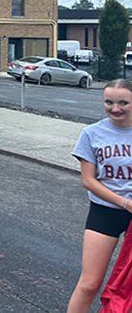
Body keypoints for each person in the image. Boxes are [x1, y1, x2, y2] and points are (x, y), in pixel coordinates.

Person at [67, 79, 132, 312]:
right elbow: (89, 181)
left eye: (123, 102)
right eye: (109, 102)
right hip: (106, 211)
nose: (116, 108)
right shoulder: (92, 133)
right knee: (90, 283)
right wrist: (126, 203)